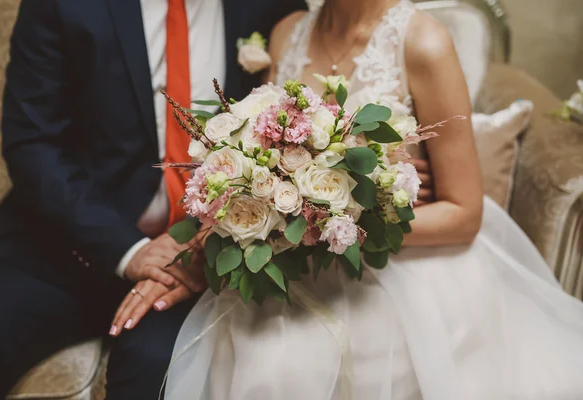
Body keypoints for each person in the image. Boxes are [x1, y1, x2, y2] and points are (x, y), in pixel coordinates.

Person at [111, 0, 583, 398]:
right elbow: (270, 156)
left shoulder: (423, 42)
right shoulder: (286, 33)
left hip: (396, 267)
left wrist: (332, 221)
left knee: (287, 367)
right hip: (296, 260)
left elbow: (464, 213)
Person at [0, 0, 309, 398]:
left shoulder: (269, 7)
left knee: (156, 368)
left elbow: (291, 139)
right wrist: (129, 251)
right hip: (59, 249)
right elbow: (33, 145)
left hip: (193, 264)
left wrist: (204, 245)